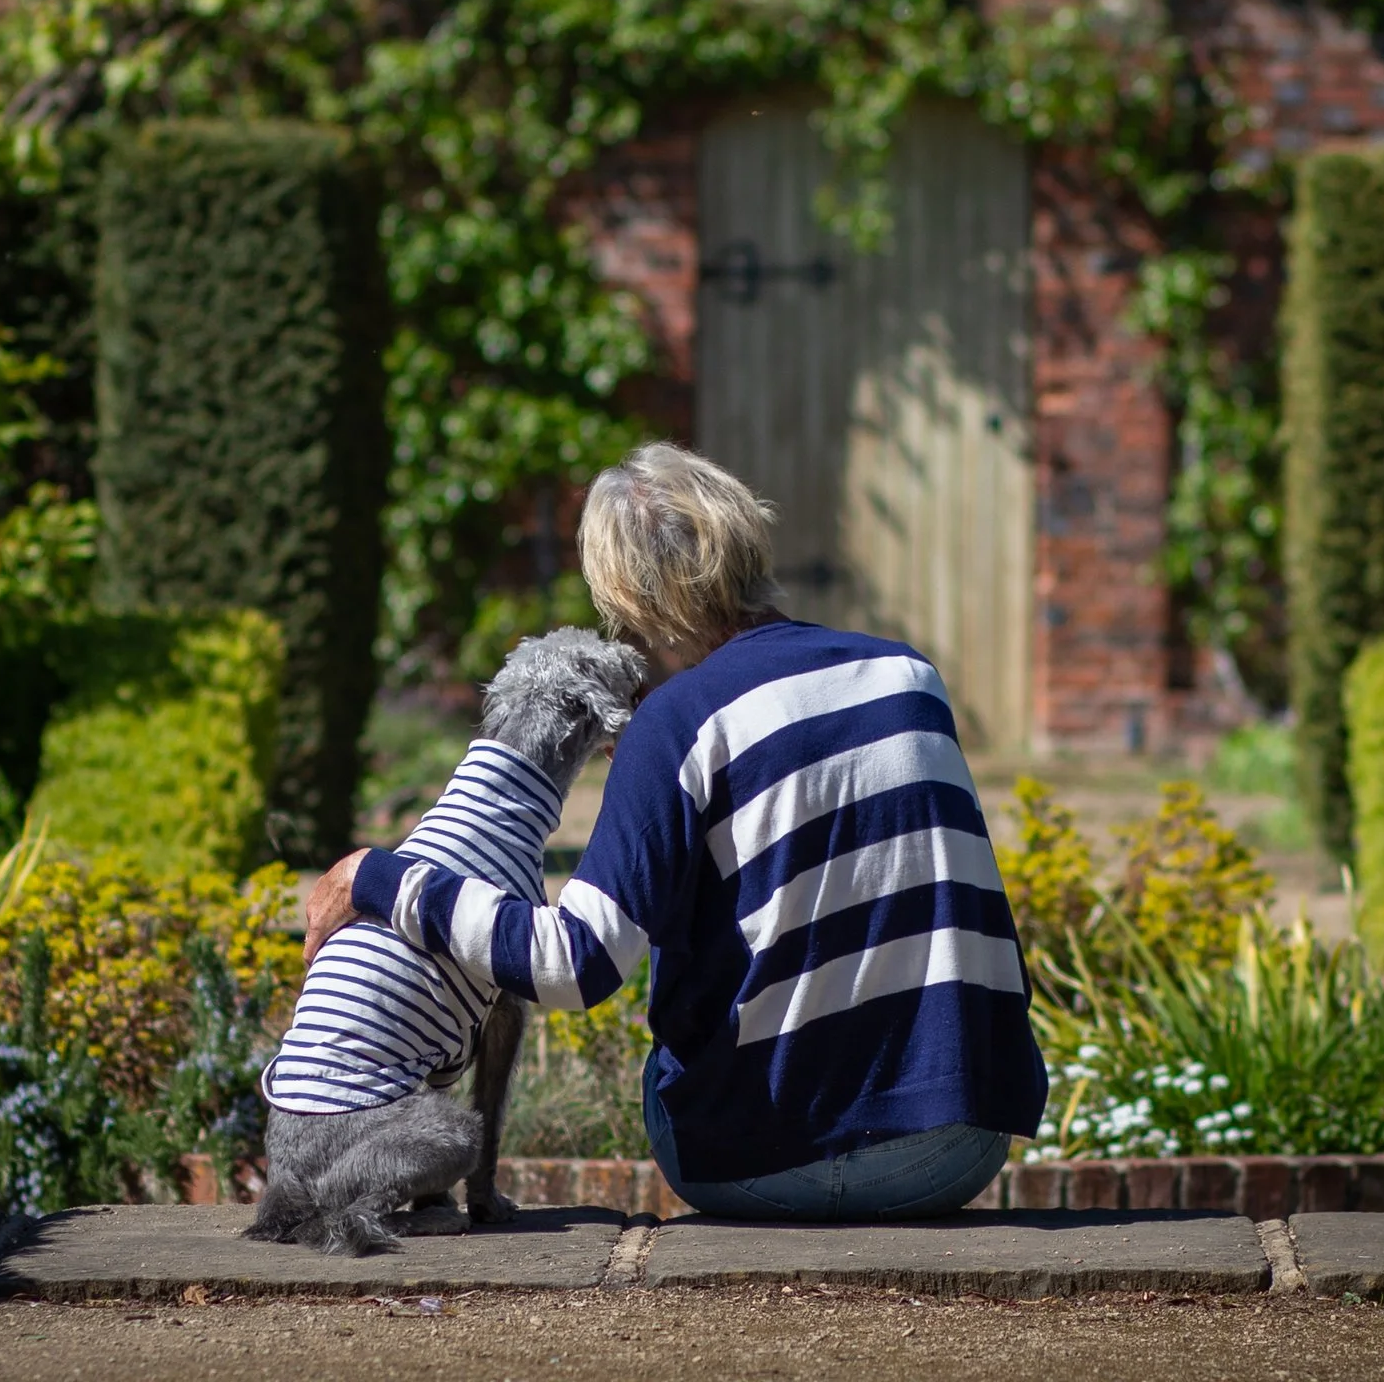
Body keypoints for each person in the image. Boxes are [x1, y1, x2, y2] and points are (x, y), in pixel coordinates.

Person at [302, 441, 1046, 1220]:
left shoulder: (680, 722)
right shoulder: (907, 676)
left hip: (771, 1160)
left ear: (626, 597)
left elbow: (573, 966)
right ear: (749, 540)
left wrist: (377, 878)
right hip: (960, 1148)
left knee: (674, 1053)